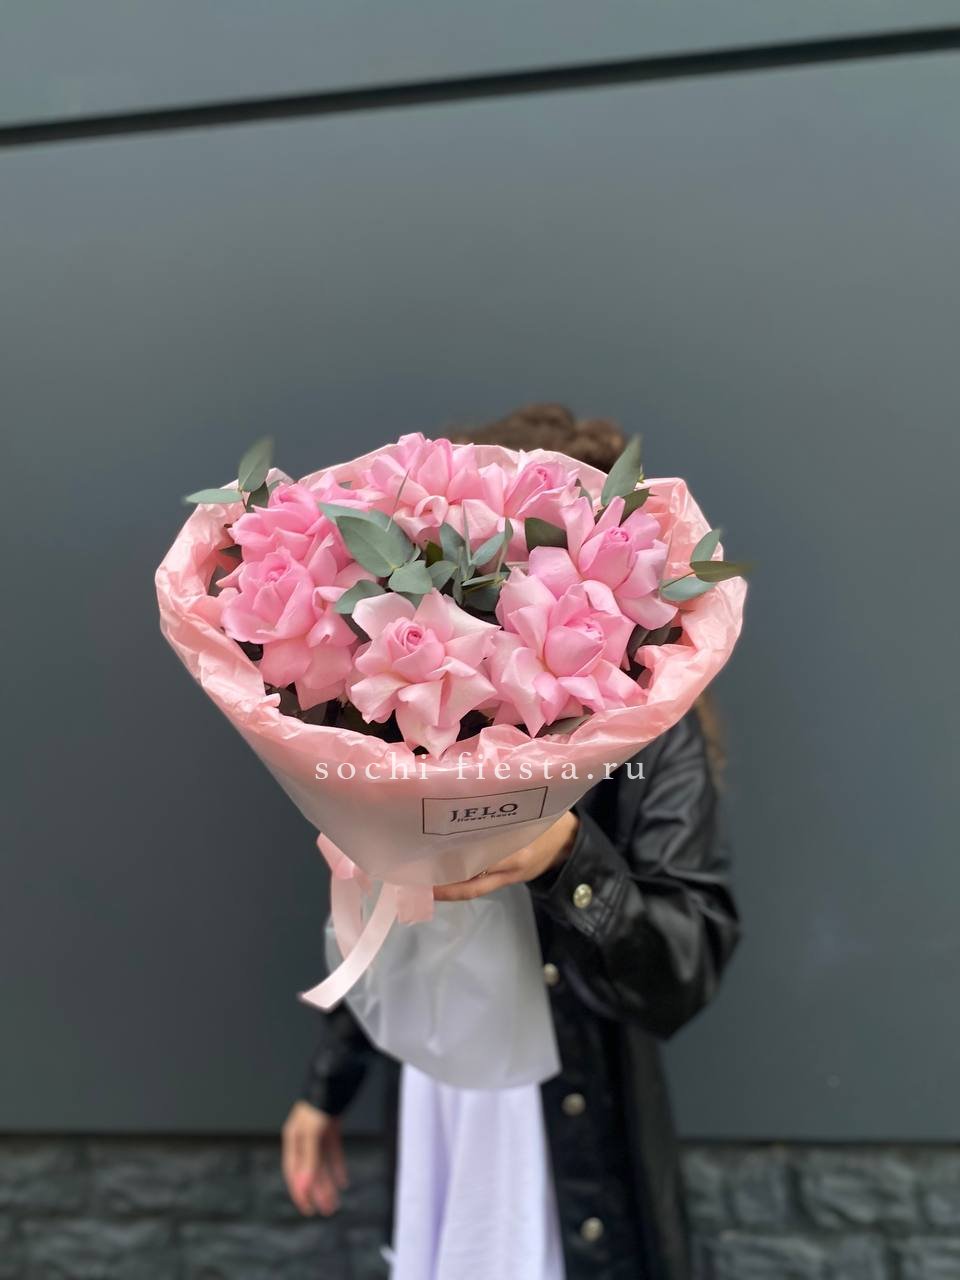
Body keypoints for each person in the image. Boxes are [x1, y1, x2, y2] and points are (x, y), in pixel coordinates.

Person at [282, 405, 742, 1280]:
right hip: (438, 1087)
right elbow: (393, 906)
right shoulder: (434, 697)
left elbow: (687, 965)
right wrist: (327, 1085)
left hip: (568, 1107)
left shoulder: (654, 730)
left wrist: (567, 857)